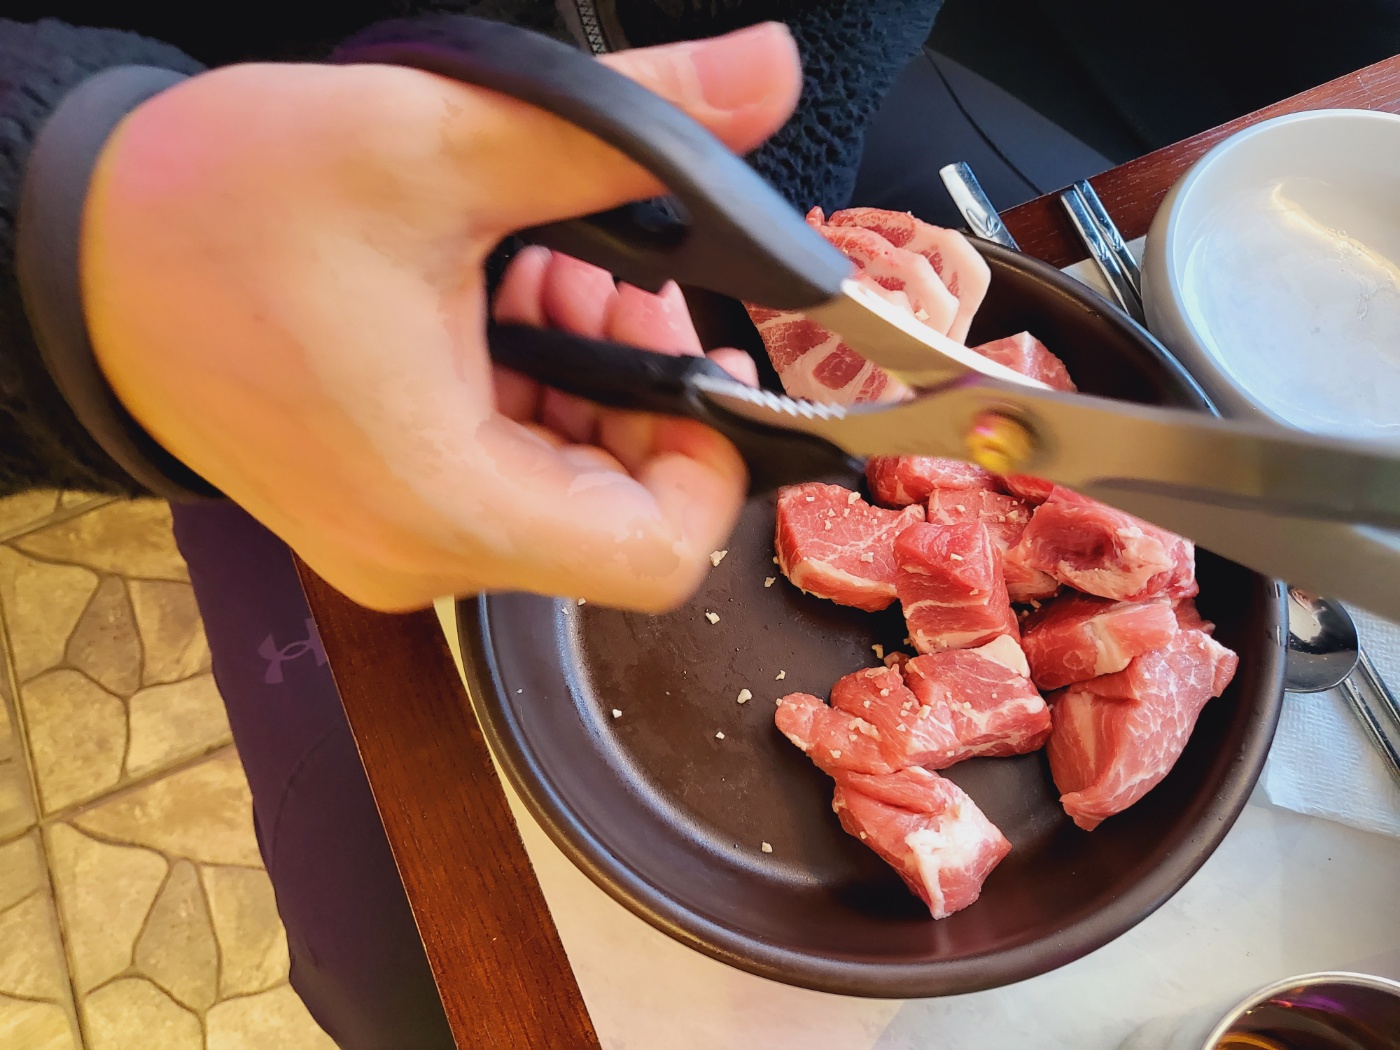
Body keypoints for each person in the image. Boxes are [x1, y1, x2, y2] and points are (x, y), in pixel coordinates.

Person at [2, 4, 1110, 1045]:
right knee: (390, 980)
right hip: (232, 264)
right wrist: (78, 231)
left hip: (751, 191)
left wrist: (774, 186)